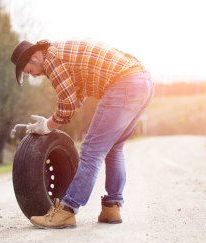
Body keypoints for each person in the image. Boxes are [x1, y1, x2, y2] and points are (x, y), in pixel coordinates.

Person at [10, 39, 154, 229]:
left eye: (30, 71)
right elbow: (76, 98)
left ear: (35, 56)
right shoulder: (61, 53)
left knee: (90, 151)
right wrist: (52, 121)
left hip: (124, 83)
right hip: (142, 82)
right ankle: (112, 207)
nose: (34, 76)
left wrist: (47, 126)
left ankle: (68, 210)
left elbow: (67, 105)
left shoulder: (52, 59)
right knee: (114, 149)